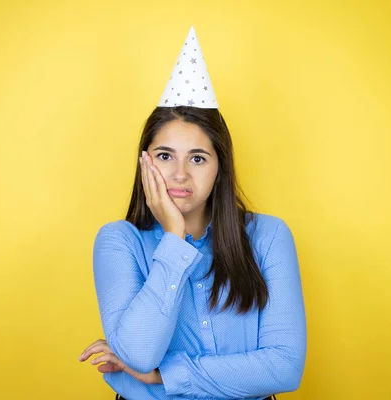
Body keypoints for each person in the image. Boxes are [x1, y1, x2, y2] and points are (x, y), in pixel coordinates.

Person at [79, 26, 306, 400]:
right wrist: (174, 237)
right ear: (145, 163)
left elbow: (284, 367)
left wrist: (163, 376)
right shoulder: (118, 241)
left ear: (220, 168)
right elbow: (139, 353)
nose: (180, 174)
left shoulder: (268, 236)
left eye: (197, 158)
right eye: (165, 156)